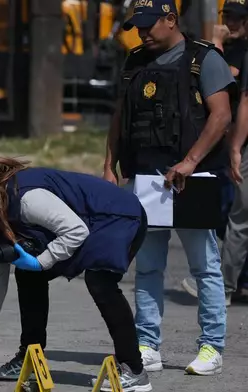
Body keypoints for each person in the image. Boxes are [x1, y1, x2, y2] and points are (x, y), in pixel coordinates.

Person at [0, 157, 151, 391]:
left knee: (100, 280)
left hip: (117, 215)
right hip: (87, 223)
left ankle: (134, 371)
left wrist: (41, 262)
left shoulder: (28, 199)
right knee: (27, 274)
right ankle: (28, 358)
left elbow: (75, 230)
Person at [103, 0, 234, 376]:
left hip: (192, 180)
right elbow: (120, 116)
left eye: (148, 24)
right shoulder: (134, 62)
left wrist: (190, 161)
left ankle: (212, 347)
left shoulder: (203, 59)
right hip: (146, 179)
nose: (142, 32)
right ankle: (147, 345)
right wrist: (108, 166)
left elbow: (221, 115)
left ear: (171, 20)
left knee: (205, 267)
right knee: (147, 268)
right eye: (137, 26)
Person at [181, 0, 248, 306]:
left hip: (234, 144)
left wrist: (218, 42)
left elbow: (232, 90)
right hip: (225, 143)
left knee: (236, 217)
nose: (231, 22)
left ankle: (226, 285)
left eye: (238, 17)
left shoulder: (236, 51)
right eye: (227, 15)